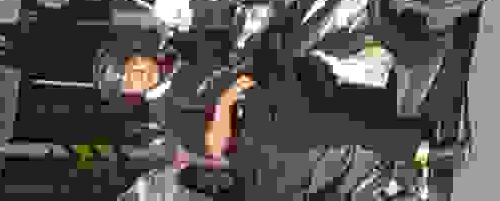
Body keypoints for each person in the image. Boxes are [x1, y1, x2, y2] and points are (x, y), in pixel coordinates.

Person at [100, 24, 423, 201]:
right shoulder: (167, 114)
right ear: (131, 93)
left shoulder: (178, 54)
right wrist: (227, 100)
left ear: (138, 56)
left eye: (133, 66)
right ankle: (422, 150)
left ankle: (405, 79)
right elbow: (214, 145)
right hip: (258, 128)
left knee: (317, 58)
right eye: (129, 81)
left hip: (267, 79)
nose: (138, 74)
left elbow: (228, 41)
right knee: (334, 122)